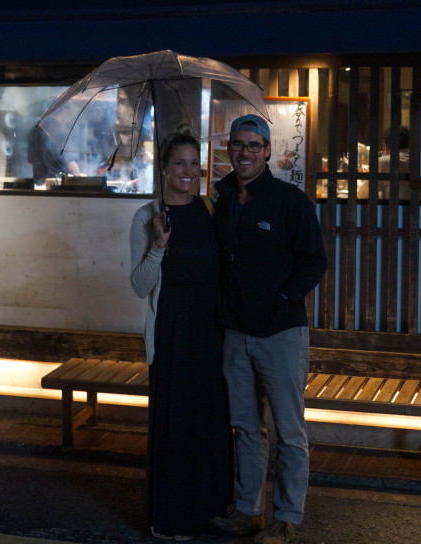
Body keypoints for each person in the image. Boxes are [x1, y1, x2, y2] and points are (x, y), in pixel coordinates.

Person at [211, 114, 328, 544]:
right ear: (229, 149)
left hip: (280, 334)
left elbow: (314, 260)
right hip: (235, 333)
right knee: (245, 426)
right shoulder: (221, 200)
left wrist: (281, 300)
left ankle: (288, 519)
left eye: (253, 145)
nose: (244, 152)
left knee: (289, 431)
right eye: (238, 145)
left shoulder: (287, 201)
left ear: (267, 152)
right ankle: (248, 511)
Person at [130, 133, 234, 540]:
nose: (188, 172)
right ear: (164, 169)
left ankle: (210, 511)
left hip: (211, 330)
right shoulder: (148, 215)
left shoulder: (210, 209)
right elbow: (140, 286)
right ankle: (169, 518)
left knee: (208, 422)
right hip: (172, 330)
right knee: (176, 425)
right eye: (179, 164)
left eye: (194, 164)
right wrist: (158, 246)